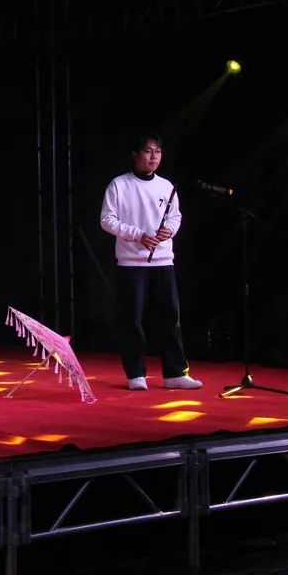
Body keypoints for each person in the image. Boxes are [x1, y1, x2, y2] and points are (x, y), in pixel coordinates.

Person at [99, 133, 201, 391]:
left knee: (170, 318)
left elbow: (175, 216)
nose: (154, 156)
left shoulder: (167, 186)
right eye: (148, 151)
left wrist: (170, 230)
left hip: (163, 261)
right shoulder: (119, 185)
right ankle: (136, 374)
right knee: (132, 320)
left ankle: (175, 373)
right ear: (135, 155)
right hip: (132, 263)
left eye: (158, 152)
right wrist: (138, 235)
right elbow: (107, 220)